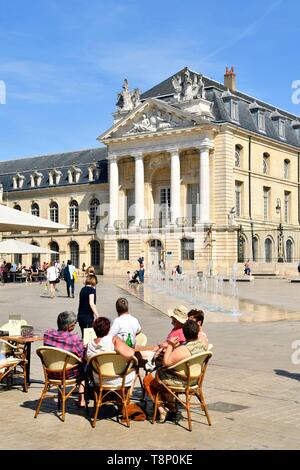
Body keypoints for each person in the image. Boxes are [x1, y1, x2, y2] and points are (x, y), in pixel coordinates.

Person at [144, 320, 208, 422]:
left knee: (149, 380)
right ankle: (171, 408)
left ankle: (162, 409)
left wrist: (170, 345)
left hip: (182, 381)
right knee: (161, 381)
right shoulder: (203, 344)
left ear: (184, 333)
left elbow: (166, 362)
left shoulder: (184, 350)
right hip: (195, 380)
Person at [43, 310, 85, 406]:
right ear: (71, 326)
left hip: (51, 373)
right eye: (75, 323)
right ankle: (81, 399)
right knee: (86, 367)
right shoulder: (74, 339)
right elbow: (83, 356)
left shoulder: (48, 334)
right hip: (68, 374)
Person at [86, 316, 136, 387]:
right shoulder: (113, 340)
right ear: (108, 329)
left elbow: (87, 359)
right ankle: (127, 395)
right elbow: (130, 353)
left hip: (98, 379)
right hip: (117, 378)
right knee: (134, 368)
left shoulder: (90, 344)